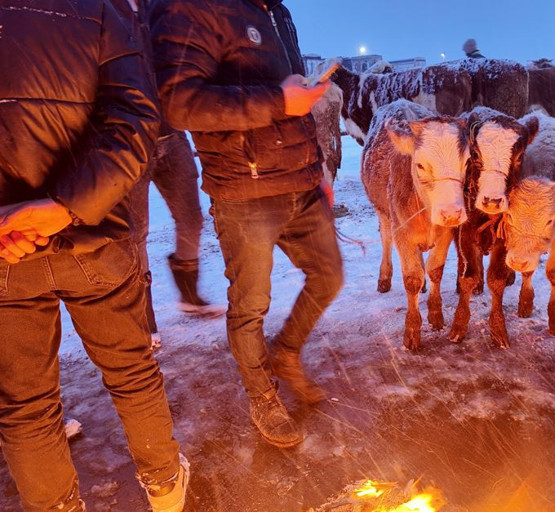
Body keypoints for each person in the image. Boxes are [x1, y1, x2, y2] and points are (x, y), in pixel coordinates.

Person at [0, 0, 189, 510]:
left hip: (6, 250)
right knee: (131, 371)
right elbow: (132, 118)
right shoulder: (98, 9)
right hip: (93, 233)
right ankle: (167, 488)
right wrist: (67, 205)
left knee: (24, 407)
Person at [149, 0, 344, 448]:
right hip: (244, 189)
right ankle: (262, 395)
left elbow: (292, 96)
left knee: (329, 275)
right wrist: (279, 100)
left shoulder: (277, 11)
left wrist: (318, 171)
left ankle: (286, 352)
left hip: (301, 182)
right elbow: (178, 102)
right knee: (250, 305)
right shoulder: (192, 8)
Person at [131, 124, 228, 348]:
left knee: (191, 219)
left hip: (172, 137)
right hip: (127, 141)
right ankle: (143, 320)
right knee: (135, 233)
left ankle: (189, 296)